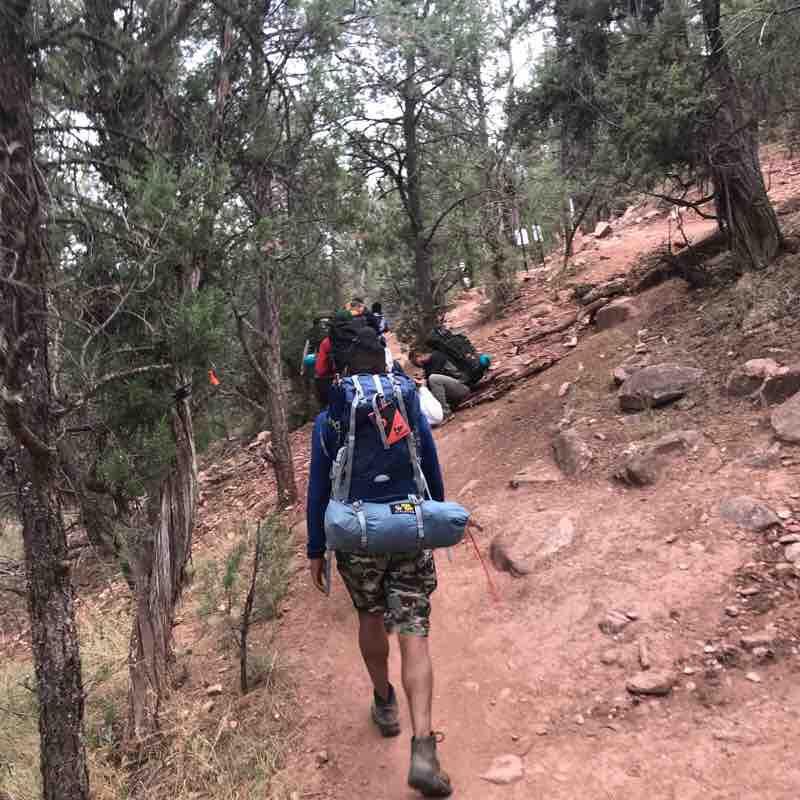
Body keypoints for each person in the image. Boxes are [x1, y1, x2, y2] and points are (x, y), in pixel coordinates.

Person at [306, 343, 453, 798]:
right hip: (408, 526)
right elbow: (427, 463)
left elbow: (317, 487)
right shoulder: (402, 399)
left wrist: (317, 548)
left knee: (370, 615)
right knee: (414, 629)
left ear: (341, 370)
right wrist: (432, 519)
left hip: (357, 534)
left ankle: (385, 702)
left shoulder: (329, 418)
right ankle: (424, 747)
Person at [409, 349, 470, 420]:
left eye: (414, 362)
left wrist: (424, 381)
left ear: (419, 356)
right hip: (453, 392)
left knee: (433, 378)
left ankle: (446, 413)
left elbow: (436, 377)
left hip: (462, 388)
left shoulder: (437, 356)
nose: (416, 365)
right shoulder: (427, 365)